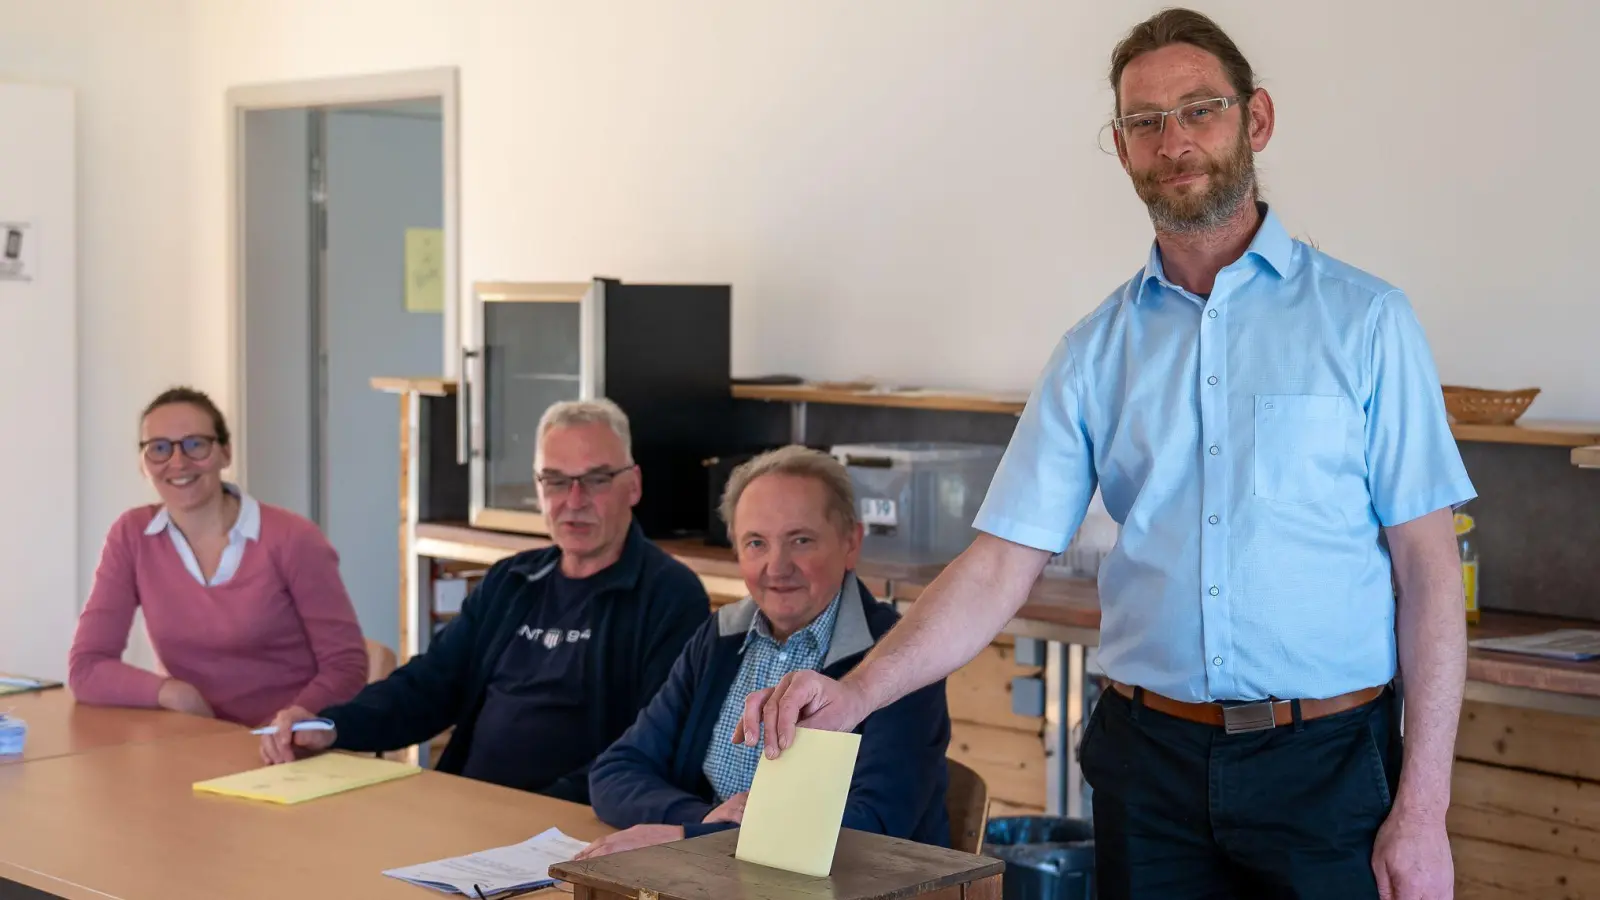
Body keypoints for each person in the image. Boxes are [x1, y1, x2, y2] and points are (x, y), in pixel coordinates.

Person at [740, 10, 1473, 900]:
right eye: (1143, 122)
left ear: (1257, 120)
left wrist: (1424, 806)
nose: (1174, 141)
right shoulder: (1096, 349)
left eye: (1199, 109)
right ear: (1123, 151)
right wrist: (855, 693)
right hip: (1149, 767)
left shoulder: (1367, 323)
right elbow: (1002, 561)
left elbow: (1430, 574)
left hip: (1329, 767)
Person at [260, 399, 711, 804]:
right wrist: (331, 727)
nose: (574, 501)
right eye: (555, 481)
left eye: (595, 480)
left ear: (633, 486)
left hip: (570, 828)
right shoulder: (512, 581)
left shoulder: (669, 596)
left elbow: (649, 747)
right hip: (467, 808)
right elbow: (429, 687)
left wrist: (532, 813)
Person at [574, 446, 951, 860]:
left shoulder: (900, 657)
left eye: (801, 540)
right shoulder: (719, 637)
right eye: (756, 543)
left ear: (851, 543)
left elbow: (873, 829)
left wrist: (693, 836)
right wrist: (706, 823)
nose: (777, 566)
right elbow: (614, 773)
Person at [69, 387, 367, 726]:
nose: (178, 462)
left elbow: (347, 666)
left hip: (290, 750)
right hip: (193, 742)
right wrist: (173, 692)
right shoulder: (132, 535)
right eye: (159, 449)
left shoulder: (293, 539)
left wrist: (290, 723)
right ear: (143, 463)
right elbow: (87, 667)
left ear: (225, 453)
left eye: (196, 444)